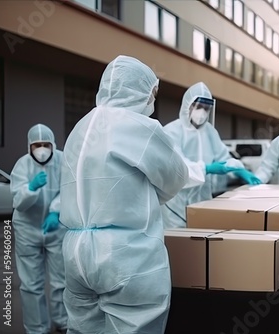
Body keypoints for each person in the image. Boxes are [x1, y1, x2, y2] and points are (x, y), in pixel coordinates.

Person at [59, 55, 189, 333]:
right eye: (153, 93)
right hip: (124, 258)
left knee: (83, 329)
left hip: (74, 252)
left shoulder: (79, 128)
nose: (152, 101)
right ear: (140, 90)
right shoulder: (139, 126)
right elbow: (175, 178)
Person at [161, 81, 261, 228]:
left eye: (206, 108)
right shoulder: (171, 131)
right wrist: (207, 168)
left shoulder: (210, 131)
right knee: (178, 244)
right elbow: (178, 166)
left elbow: (223, 157)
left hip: (203, 201)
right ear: (187, 105)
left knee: (200, 242)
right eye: (199, 107)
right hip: (175, 205)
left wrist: (240, 170)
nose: (202, 112)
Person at [10, 123, 68, 334]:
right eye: (37, 145)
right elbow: (18, 201)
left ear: (53, 144)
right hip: (28, 229)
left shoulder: (63, 161)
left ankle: (63, 321)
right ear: (29, 146)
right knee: (31, 284)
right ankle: (37, 328)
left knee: (61, 280)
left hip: (56, 227)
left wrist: (56, 211)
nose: (42, 149)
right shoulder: (22, 165)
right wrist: (30, 188)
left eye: (46, 144)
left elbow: (69, 189)